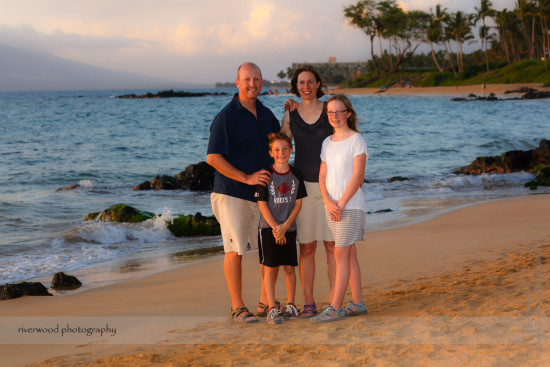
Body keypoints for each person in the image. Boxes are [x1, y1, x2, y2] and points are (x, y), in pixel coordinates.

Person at [206, 62, 280, 323]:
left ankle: (264, 302)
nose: (252, 84)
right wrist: (246, 178)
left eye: (257, 79)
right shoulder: (226, 117)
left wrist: (292, 115)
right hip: (232, 193)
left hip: (261, 195)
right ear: (237, 82)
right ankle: (237, 306)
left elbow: (280, 145)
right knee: (235, 249)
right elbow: (213, 157)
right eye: (247, 79)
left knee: (267, 250)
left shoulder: (267, 114)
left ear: (262, 82)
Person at [280, 65, 335, 317]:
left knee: (333, 246)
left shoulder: (331, 109)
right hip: (303, 188)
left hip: (331, 186)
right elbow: (279, 147)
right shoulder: (291, 115)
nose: (306, 87)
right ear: (296, 86)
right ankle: (309, 303)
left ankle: (335, 302)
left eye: (310, 82)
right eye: (301, 83)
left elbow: (346, 139)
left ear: (318, 83)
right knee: (308, 247)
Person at [312, 95, 368, 323]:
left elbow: (358, 176)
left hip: (350, 206)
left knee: (340, 253)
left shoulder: (357, 140)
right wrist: (327, 200)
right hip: (332, 206)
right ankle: (358, 303)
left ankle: (335, 307)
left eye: (339, 111)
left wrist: (341, 203)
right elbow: (322, 175)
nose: (334, 116)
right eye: (330, 112)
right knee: (349, 253)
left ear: (348, 113)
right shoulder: (327, 143)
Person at [255, 133, 306, 325]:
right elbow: (262, 204)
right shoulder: (265, 175)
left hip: (289, 228)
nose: (281, 152)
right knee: (270, 268)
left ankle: (291, 305)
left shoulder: (296, 175)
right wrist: (276, 228)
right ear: (270, 153)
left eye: (285, 148)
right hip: (269, 228)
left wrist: (285, 227)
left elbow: (298, 204)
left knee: (289, 267)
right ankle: (272, 308)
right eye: (276, 149)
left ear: (291, 150)